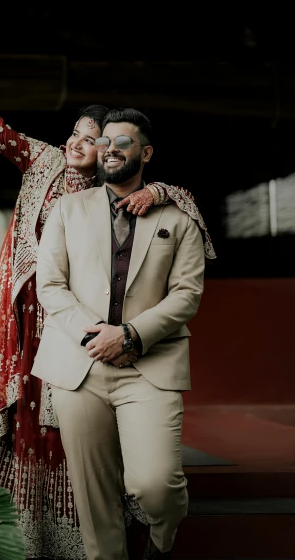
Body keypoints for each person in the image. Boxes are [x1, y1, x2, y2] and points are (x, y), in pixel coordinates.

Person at [0, 56, 215, 560]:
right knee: (35, 428)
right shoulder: (45, 164)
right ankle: (45, 532)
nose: (77, 144)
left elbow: (180, 207)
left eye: (91, 137)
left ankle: (124, 526)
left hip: (121, 338)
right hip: (35, 319)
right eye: (75, 134)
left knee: (125, 463)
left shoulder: (136, 193)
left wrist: (157, 190)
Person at [33, 107, 211, 560]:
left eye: (123, 142)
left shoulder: (180, 217)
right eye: (104, 142)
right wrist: (94, 335)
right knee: (95, 502)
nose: (110, 150)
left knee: (157, 485)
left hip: (150, 369)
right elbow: (49, 284)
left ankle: (161, 540)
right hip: (80, 367)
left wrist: (131, 334)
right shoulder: (66, 210)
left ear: (146, 153)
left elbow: (186, 295)